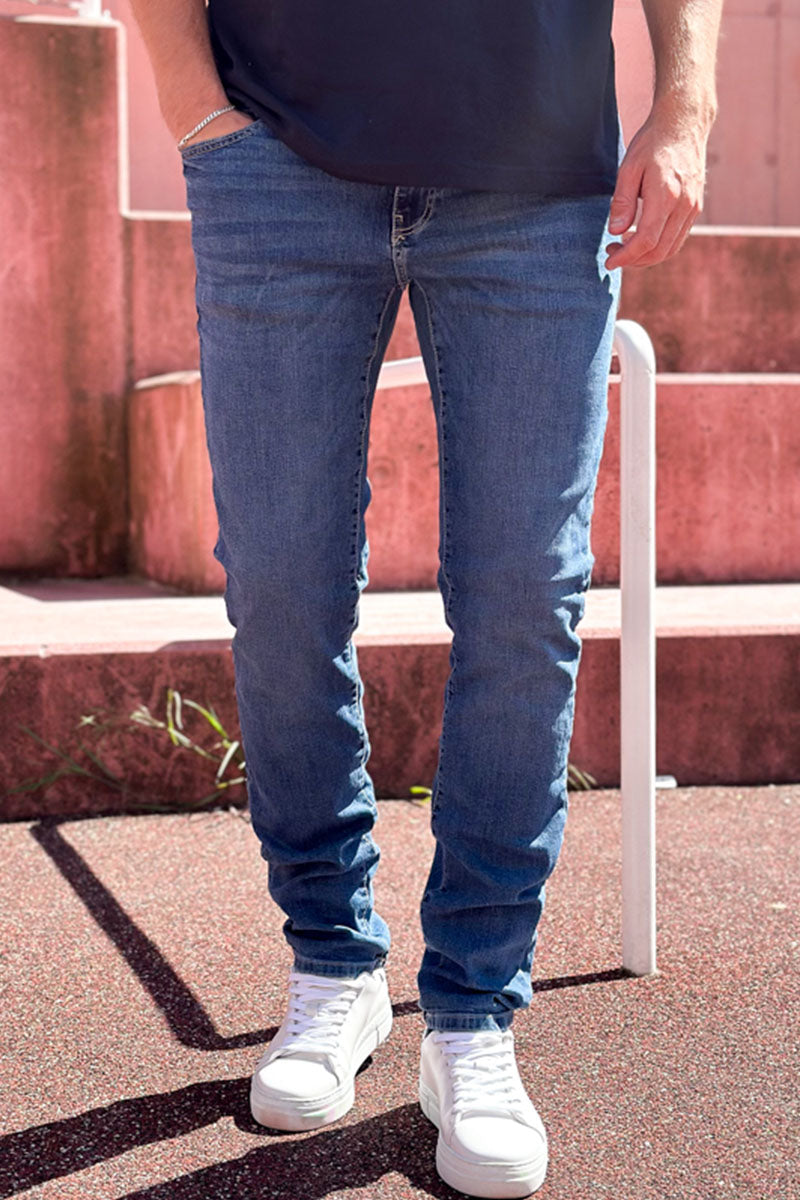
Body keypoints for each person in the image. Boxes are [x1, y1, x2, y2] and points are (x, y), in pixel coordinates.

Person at [130, 1, 723, 1194]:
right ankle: (332, 963)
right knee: (282, 589)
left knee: (522, 600)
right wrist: (195, 107)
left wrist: (685, 104)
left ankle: (472, 1013)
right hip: (276, 162)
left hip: (538, 178)